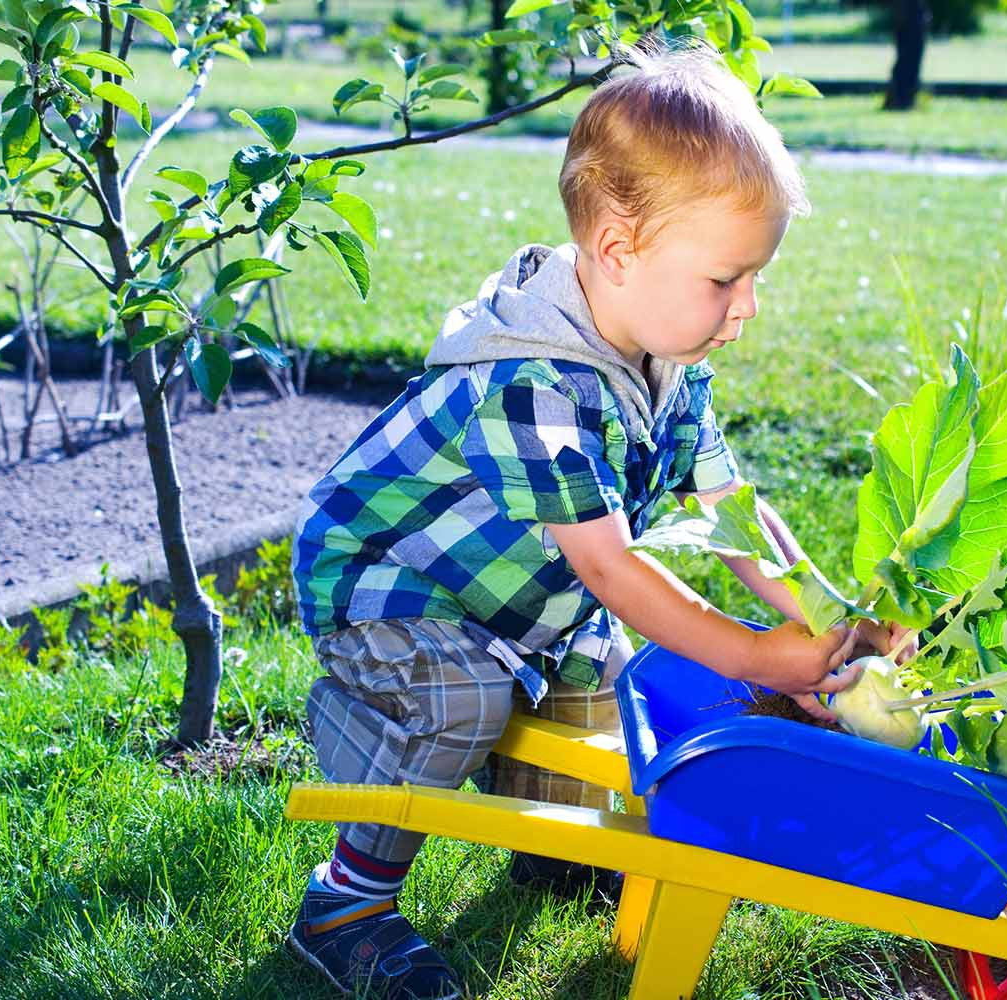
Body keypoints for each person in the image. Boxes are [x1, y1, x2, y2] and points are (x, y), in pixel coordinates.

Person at [285, 38, 899, 999]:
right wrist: (753, 655)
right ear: (618, 251)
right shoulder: (533, 378)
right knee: (459, 699)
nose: (747, 307)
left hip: (520, 594)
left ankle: (553, 847)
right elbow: (611, 569)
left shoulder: (667, 362)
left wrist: (829, 620)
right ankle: (345, 904)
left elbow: (732, 511)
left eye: (755, 277)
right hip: (391, 582)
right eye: (725, 279)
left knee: (621, 686)